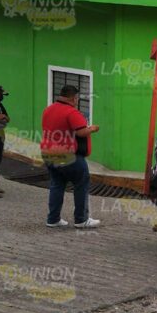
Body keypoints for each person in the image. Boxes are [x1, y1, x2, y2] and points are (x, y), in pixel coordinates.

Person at [40, 85, 101, 228]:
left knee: (57, 184)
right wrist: (92, 129)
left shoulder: (48, 109)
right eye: (77, 98)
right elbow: (81, 132)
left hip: (48, 152)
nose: (77, 101)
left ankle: (53, 219)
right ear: (73, 98)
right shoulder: (72, 112)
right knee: (81, 183)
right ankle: (81, 219)